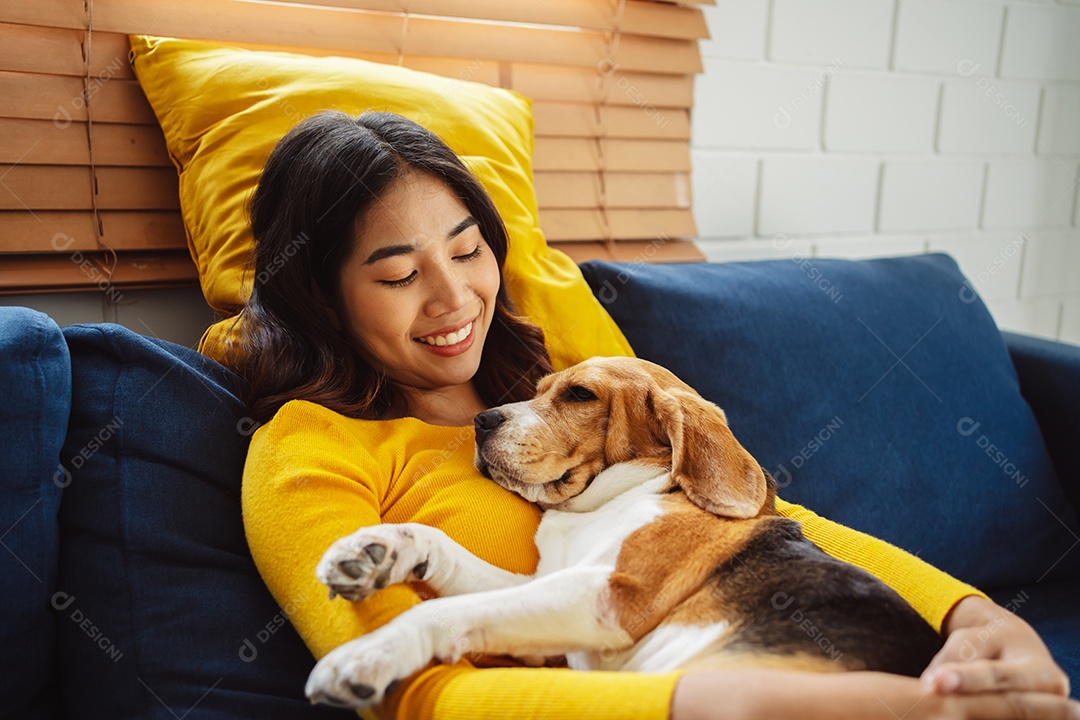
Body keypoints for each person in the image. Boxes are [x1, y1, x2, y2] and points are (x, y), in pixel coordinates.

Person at [238, 110, 1077, 720]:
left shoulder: (553, 371)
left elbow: (753, 516)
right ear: (319, 295)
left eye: (467, 250)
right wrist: (710, 701)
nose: (455, 297)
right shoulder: (307, 447)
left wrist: (977, 616)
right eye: (397, 275)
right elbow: (409, 692)